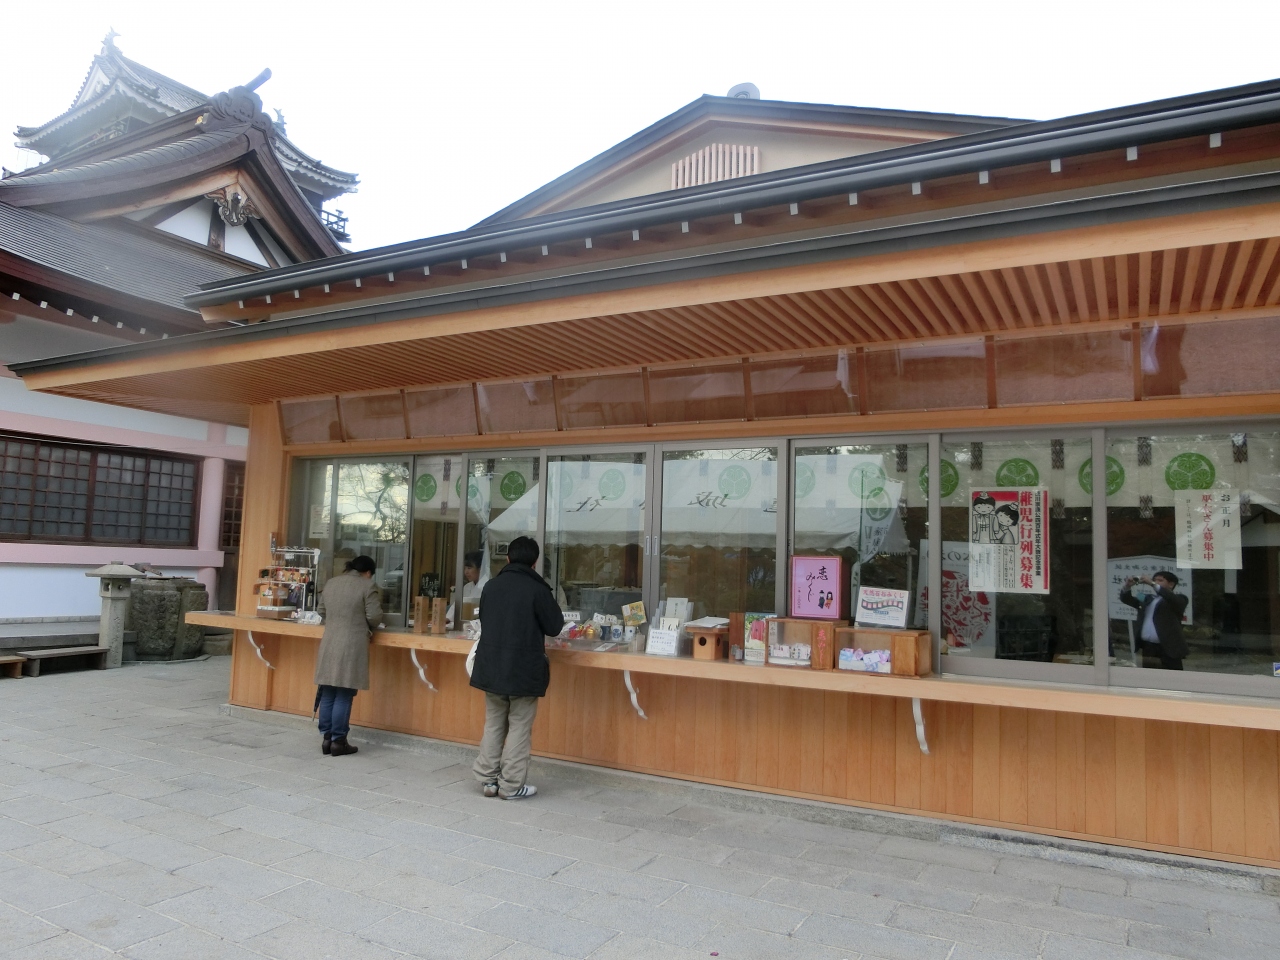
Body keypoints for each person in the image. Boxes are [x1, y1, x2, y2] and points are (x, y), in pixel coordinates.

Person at [469, 536, 564, 799]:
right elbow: (554, 626)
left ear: (508, 558)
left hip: (491, 666)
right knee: (519, 726)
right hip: (523, 669)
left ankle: (488, 780)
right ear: (535, 562)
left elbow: (485, 620)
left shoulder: (491, 587)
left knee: (493, 722)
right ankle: (511, 785)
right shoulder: (537, 589)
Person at [314, 555, 383, 756]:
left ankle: (327, 739)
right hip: (352, 644)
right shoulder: (367, 586)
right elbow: (374, 617)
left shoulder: (332, 583)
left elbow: (321, 610)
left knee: (328, 691)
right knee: (344, 692)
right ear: (368, 572)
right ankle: (339, 741)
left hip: (329, 642)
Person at [1120, 571, 1188, 670]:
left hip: (1168, 647)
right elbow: (1127, 599)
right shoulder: (1149, 598)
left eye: (1160, 580)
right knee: (1150, 674)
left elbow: (1173, 599)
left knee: (1171, 675)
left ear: (1171, 584)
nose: (1156, 582)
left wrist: (1152, 583)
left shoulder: (1179, 599)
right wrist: (1127, 586)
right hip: (1148, 647)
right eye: (1154, 580)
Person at [447, 550, 487, 626]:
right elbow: (457, 605)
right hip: (465, 624)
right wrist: (447, 618)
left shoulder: (487, 586)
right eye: (465, 568)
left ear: (480, 569)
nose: (466, 572)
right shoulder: (467, 587)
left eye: (469, 568)